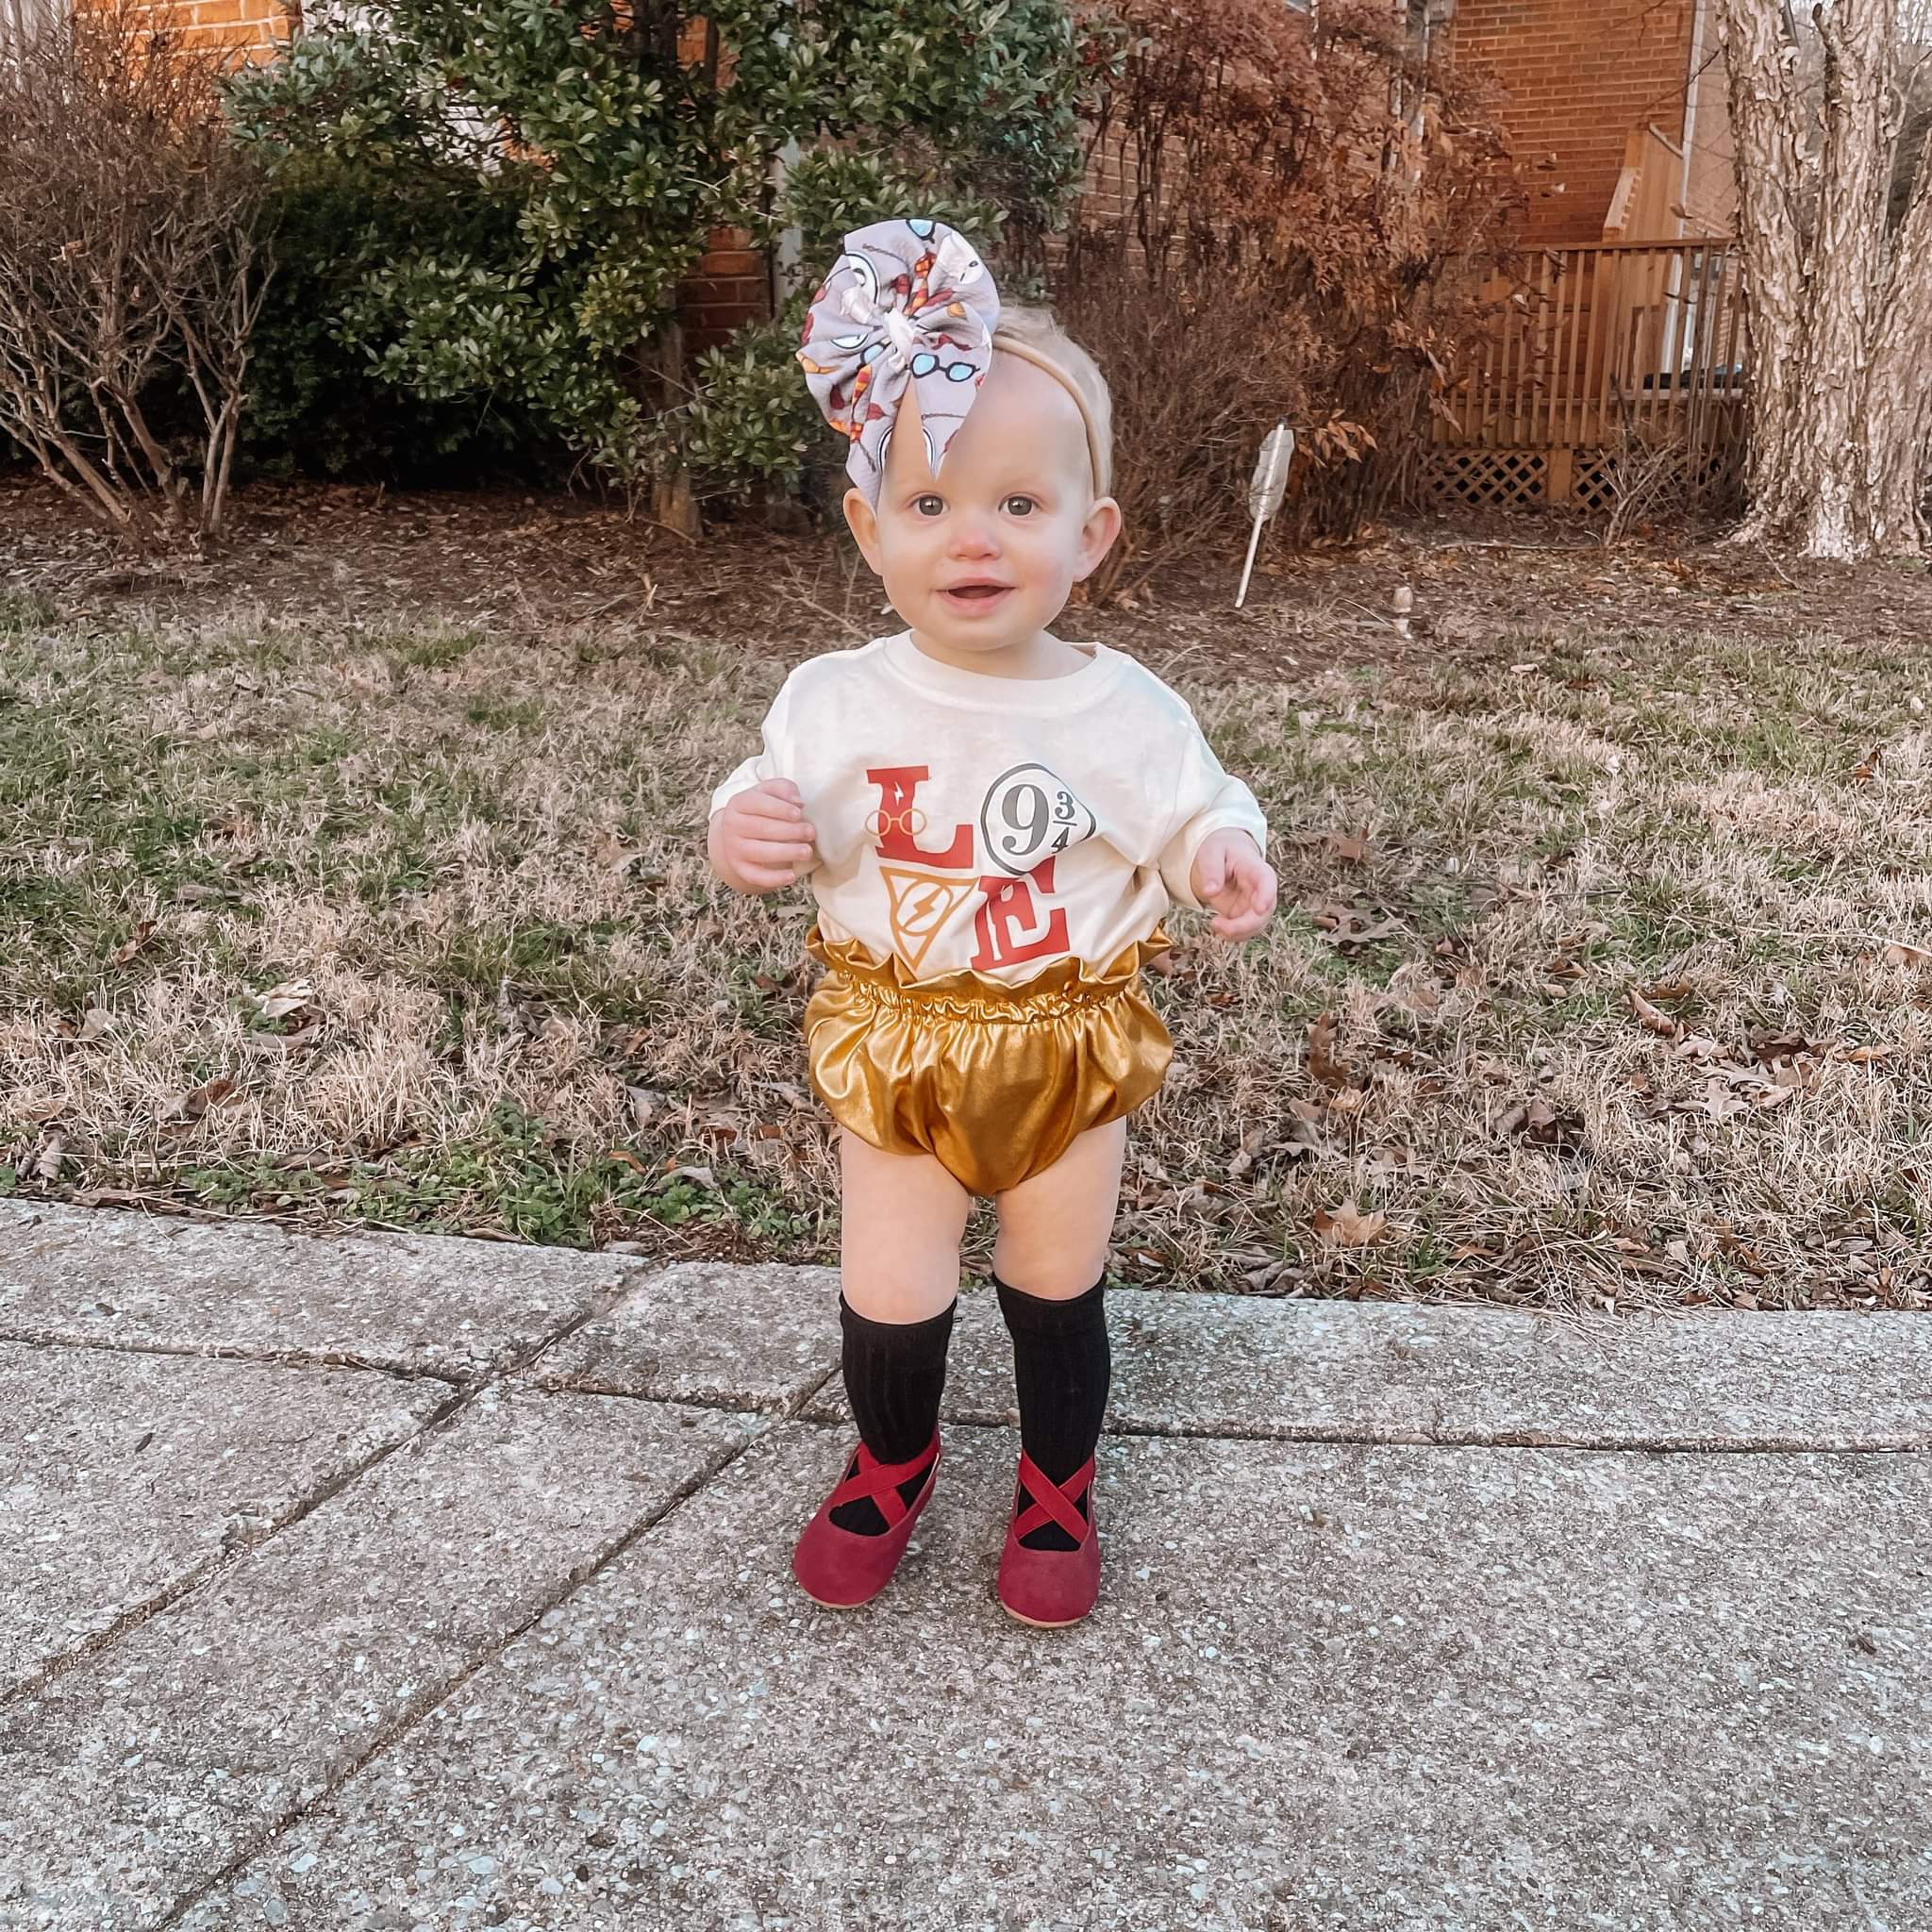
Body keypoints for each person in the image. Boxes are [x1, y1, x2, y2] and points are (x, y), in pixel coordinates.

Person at [706, 218, 1277, 1628]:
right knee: (892, 1282)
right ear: (870, 530)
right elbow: (764, 793)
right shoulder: (837, 699)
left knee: (1054, 1275)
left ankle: (1056, 1481)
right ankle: (891, 1460)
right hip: (896, 1035)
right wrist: (744, 831)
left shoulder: (1122, 708)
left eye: (1020, 503)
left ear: (1091, 535)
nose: (974, 536)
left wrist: (1220, 853)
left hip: (1063, 1041)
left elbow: (1196, 807)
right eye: (929, 502)